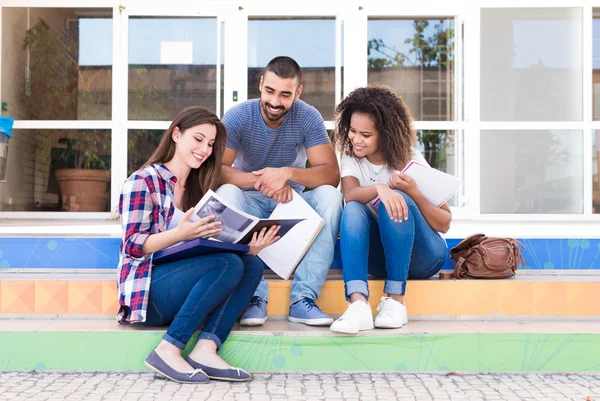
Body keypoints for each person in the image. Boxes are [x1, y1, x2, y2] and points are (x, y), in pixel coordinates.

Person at [117, 106, 280, 383]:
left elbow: (209, 247)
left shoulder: (201, 189)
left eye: (210, 144)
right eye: (198, 138)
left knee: (250, 264)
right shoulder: (143, 180)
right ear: (177, 135)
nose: (204, 149)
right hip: (148, 294)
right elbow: (132, 245)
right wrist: (180, 234)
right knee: (225, 262)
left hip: (183, 287)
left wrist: (248, 247)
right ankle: (168, 349)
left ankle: (206, 349)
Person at [216, 56, 343, 326]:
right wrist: (261, 181)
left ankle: (303, 299)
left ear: (298, 92)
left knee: (331, 197)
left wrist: (287, 173)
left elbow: (331, 174)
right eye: (270, 91)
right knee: (226, 193)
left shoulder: (307, 116)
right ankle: (254, 297)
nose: (275, 102)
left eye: (285, 94)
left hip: (291, 203)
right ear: (261, 85)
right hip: (249, 201)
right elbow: (216, 171)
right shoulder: (238, 116)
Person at [329, 86, 452, 334]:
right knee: (353, 208)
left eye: (365, 134)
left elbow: (444, 223)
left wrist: (413, 192)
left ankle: (396, 300)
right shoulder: (352, 158)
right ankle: (358, 305)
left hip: (424, 257)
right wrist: (380, 188)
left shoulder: (411, 159)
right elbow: (350, 194)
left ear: (384, 135)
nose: (355, 139)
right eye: (352, 131)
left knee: (397, 201)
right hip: (380, 260)